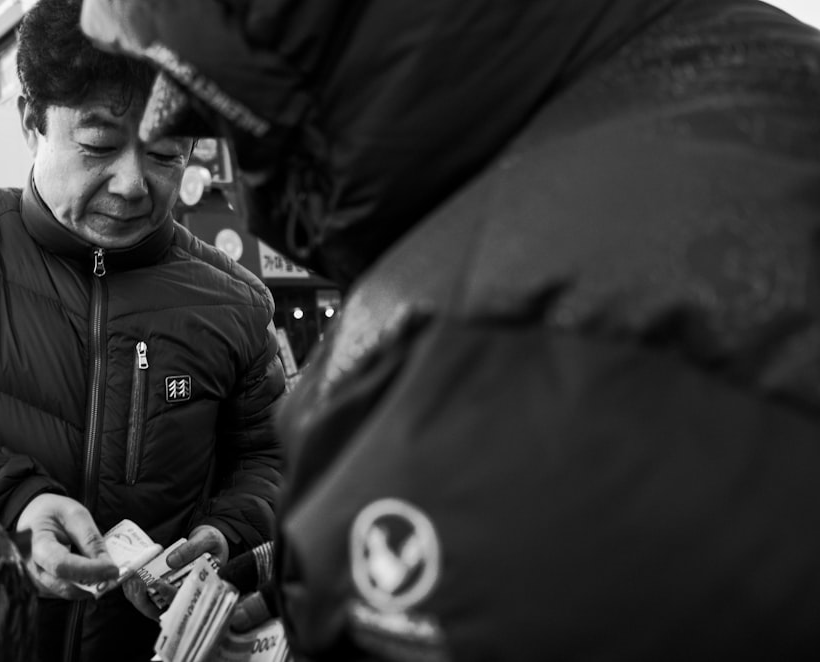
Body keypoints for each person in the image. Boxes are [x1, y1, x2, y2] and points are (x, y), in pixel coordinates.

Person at [80, 0, 820, 658]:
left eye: (195, 137)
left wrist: (332, 580)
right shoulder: (722, 70)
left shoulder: (480, 366)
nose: (138, 174)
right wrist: (282, 573)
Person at [0, 0, 286, 660]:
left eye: (165, 154)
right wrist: (12, 510)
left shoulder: (236, 299)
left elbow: (271, 458)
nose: (133, 184)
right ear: (30, 122)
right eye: (98, 144)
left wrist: (232, 535)